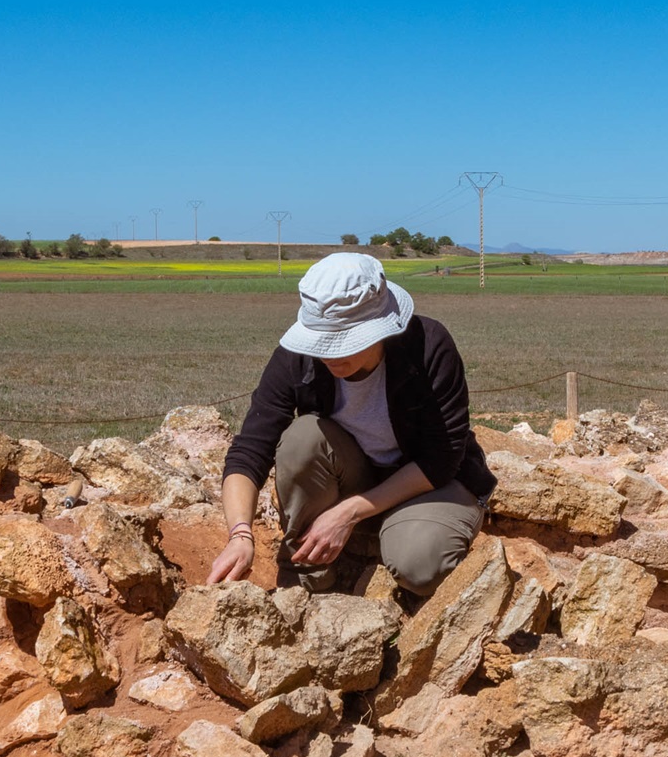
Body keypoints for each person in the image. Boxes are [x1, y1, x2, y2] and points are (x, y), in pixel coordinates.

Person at [208, 252, 495, 595]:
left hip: (428, 485)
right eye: (322, 341)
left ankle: (395, 535)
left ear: (382, 329)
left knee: (419, 566)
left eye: (344, 341)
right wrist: (240, 534)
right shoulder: (297, 360)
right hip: (357, 474)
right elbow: (250, 450)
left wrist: (349, 512)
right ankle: (308, 578)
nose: (329, 354)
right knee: (302, 439)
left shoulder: (428, 346)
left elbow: (442, 458)